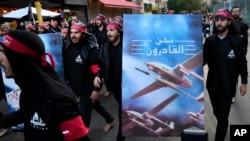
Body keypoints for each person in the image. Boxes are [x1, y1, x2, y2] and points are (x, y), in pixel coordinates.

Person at [0, 30, 90, 141]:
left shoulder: (59, 99)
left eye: (3, 52)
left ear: (19, 59)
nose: (0, 59)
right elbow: (29, 112)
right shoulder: (30, 89)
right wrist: (3, 122)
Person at [203, 9, 248, 141]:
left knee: (222, 116)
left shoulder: (236, 41)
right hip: (212, 85)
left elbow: (242, 63)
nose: (219, 23)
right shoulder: (210, 41)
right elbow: (203, 61)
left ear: (229, 22)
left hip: (228, 86)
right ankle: (223, 125)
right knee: (217, 113)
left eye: (223, 20)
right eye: (217, 20)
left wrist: (244, 82)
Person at [63, 22, 115, 132]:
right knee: (95, 104)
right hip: (76, 88)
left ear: (83, 34)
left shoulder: (91, 50)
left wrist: (96, 90)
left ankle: (82, 136)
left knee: (83, 118)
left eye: (76, 32)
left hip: (88, 89)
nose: (73, 35)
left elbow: (97, 73)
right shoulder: (69, 48)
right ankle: (110, 119)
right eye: (71, 33)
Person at [95, 20, 124, 141]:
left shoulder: (127, 45)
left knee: (122, 112)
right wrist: (98, 75)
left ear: (119, 32)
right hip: (113, 85)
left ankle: (120, 137)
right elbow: (103, 64)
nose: (108, 33)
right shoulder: (105, 46)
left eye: (112, 30)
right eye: (107, 30)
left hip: (126, 86)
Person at [230, 5, 249, 103]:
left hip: (239, 53)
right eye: (234, 11)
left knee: (235, 76)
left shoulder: (243, 24)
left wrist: (244, 51)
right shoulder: (228, 23)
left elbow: (245, 40)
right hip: (228, 53)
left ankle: (232, 95)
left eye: (237, 11)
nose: (235, 13)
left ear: (240, 12)